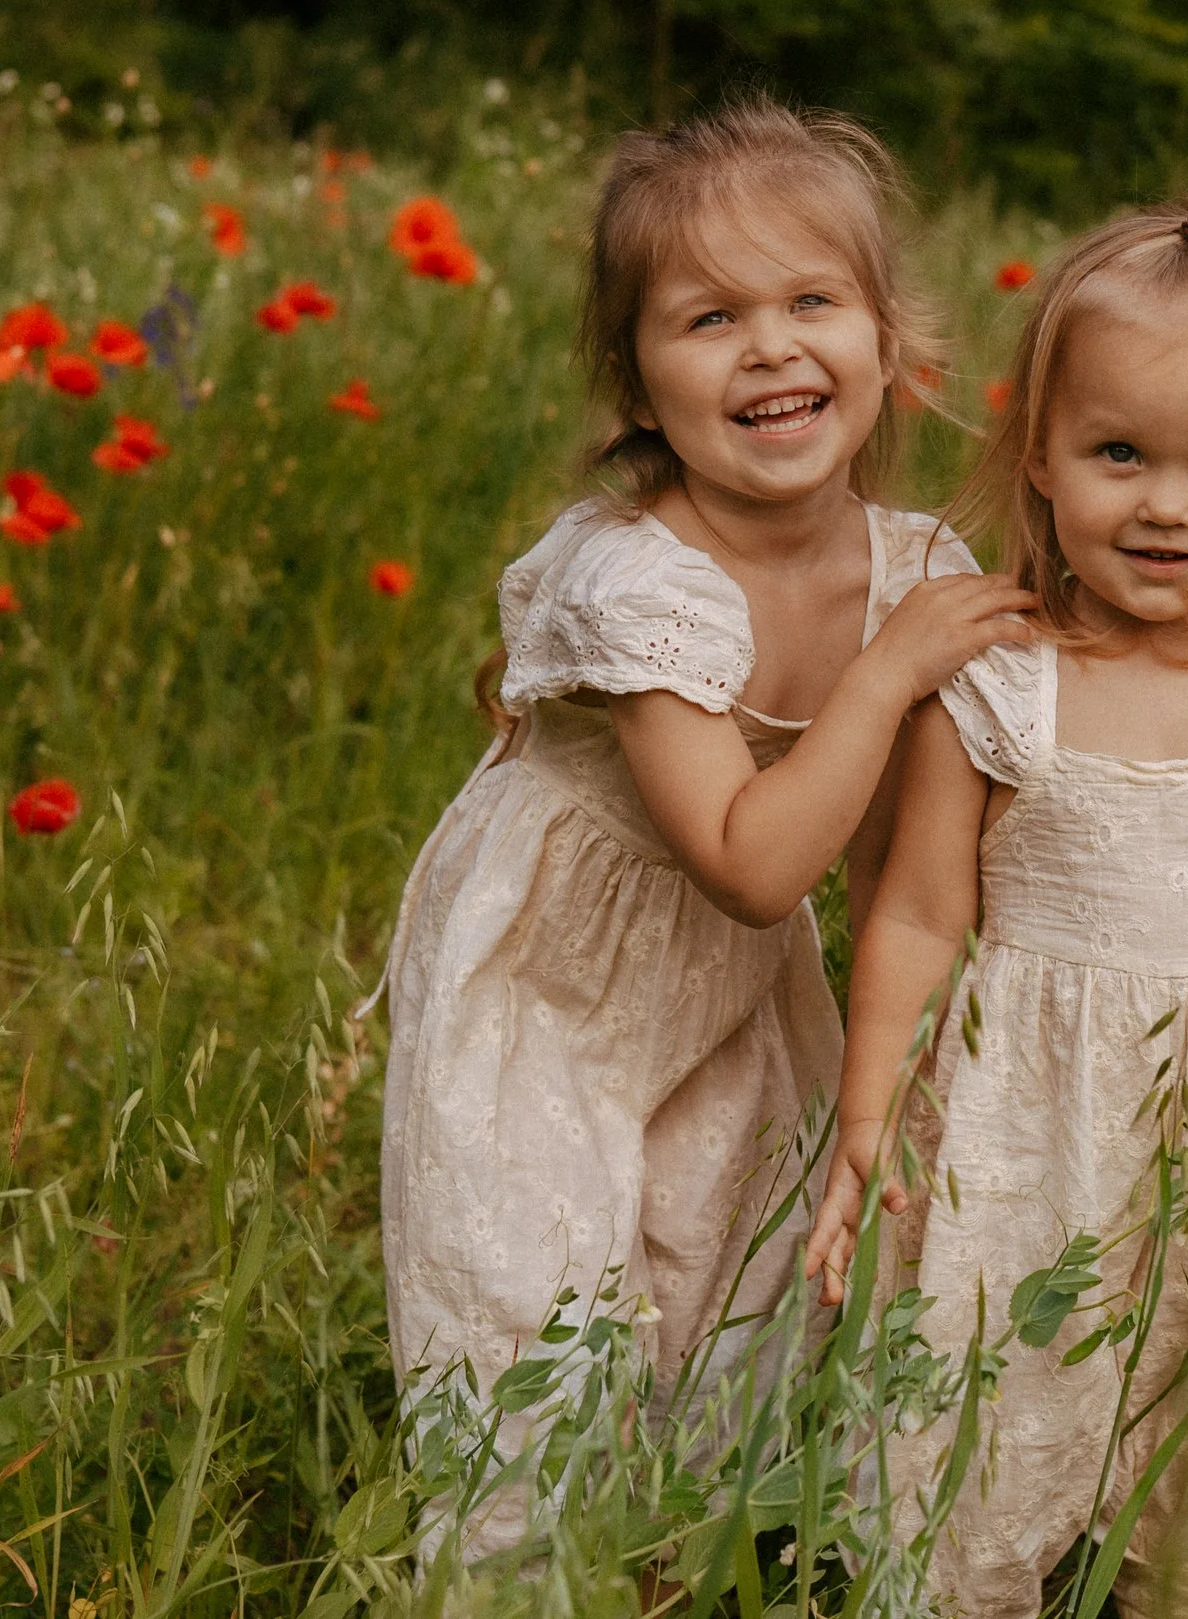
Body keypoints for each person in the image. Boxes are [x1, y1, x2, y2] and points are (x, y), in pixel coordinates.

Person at [372, 97, 1033, 1558]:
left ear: (887, 335)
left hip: (737, 999)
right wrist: (889, 669)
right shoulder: (634, 579)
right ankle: (514, 1577)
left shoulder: (911, 570)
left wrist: (898, 1083)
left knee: (730, 1288)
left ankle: (693, 1559)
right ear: (639, 377)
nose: (772, 347)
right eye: (710, 316)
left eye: (814, 301)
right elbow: (749, 863)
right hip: (550, 979)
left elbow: (884, 876)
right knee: (535, 1306)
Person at [804, 159, 1188, 1616]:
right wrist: (871, 1100)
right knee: (980, 1412)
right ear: (1040, 454)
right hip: (1020, 1133)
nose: (1165, 505)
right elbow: (915, 910)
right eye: (1117, 455)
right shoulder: (1003, 675)